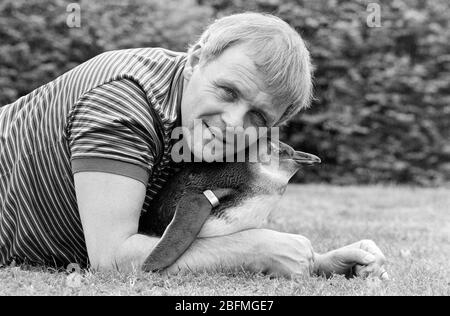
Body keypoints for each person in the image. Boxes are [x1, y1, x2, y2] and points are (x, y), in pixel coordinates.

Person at [0, 12, 387, 279]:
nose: (233, 123)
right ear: (196, 60)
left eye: (258, 117)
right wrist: (253, 253)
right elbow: (113, 261)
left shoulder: (239, 136)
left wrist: (314, 263)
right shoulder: (121, 103)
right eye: (227, 91)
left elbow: (189, 232)